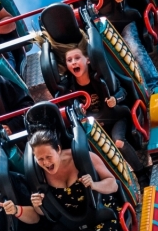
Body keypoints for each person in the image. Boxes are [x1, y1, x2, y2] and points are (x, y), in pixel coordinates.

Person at [28, 129, 127, 231]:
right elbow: (42, 214)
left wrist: (94, 185)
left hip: (99, 214)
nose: (46, 163)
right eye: (40, 159)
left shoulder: (82, 158)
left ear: (58, 149)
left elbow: (113, 184)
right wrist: (37, 204)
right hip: (71, 226)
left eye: (48, 157)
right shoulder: (38, 175)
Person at [63, 44, 148, 175]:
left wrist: (115, 99)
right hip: (96, 125)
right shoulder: (70, 88)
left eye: (77, 58)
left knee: (118, 142)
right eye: (69, 60)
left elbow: (122, 91)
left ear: (88, 60)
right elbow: (69, 110)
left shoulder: (101, 77)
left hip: (115, 118)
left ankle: (141, 173)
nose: (74, 62)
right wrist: (78, 112)